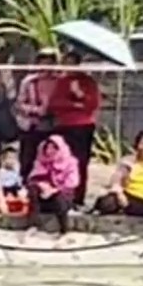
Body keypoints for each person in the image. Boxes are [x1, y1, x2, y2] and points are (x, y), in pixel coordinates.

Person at [47, 50, 101, 204]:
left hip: (83, 126)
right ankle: (61, 195)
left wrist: (80, 94)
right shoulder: (61, 82)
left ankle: (78, 197)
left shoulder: (88, 82)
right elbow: (54, 104)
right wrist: (75, 104)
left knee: (80, 162)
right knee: (61, 160)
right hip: (64, 125)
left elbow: (93, 105)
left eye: (71, 64)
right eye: (66, 64)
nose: (68, 67)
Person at [94, 132, 143, 218]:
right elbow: (116, 179)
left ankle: (125, 208)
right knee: (106, 203)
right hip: (127, 194)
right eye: (142, 144)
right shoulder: (127, 161)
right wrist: (120, 194)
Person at [14, 46, 58, 180]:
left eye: (50, 61)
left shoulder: (59, 81)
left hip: (52, 125)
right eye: (43, 61)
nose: (46, 65)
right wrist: (36, 110)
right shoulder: (29, 81)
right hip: (31, 126)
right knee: (27, 157)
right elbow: (19, 103)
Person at [26, 134, 79, 234]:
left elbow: (72, 182)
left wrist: (55, 190)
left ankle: (64, 229)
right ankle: (33, 224)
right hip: (44, 197)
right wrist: (41, 184)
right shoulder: (40, 161)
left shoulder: (71, 162)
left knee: (59, 198)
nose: (50, 151)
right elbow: (33, 178)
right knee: (32, 189)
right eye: (47, 147)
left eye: (54, 148)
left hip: (62, 196)